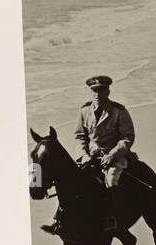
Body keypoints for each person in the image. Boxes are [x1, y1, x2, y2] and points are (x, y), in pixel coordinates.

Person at [58, 75, 136, 233]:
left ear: (108, 91)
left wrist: (112, 155)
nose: (97, 94)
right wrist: (84, 156)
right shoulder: (84, 111)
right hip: (90, 156)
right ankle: (59, 219)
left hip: (113, 157)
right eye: (94, 91)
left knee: (112, 180)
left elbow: (127, 137)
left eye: (100, 90)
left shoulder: (119, 111)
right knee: (70, 180)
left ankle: (112, 218)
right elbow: (80, 136)